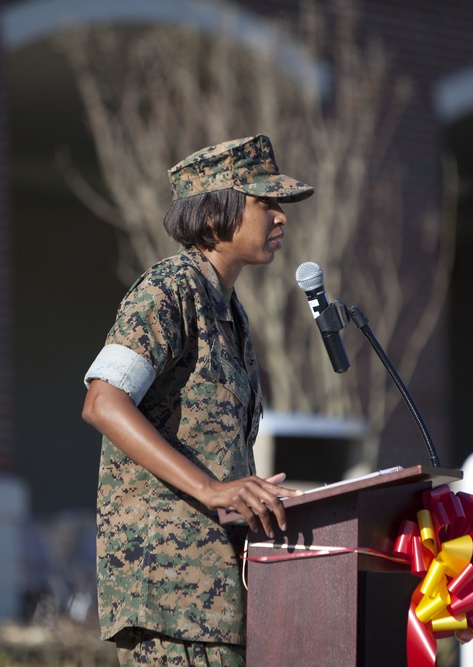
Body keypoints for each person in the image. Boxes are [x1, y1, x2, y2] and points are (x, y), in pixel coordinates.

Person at [81, 134, 315, 666]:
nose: (281, 219)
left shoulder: (227, 308)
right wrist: (212, 489)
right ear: (215, 216)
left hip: (210, 595)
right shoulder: (167, 290)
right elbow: (103, 401)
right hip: (169, 593)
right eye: (266, 204)